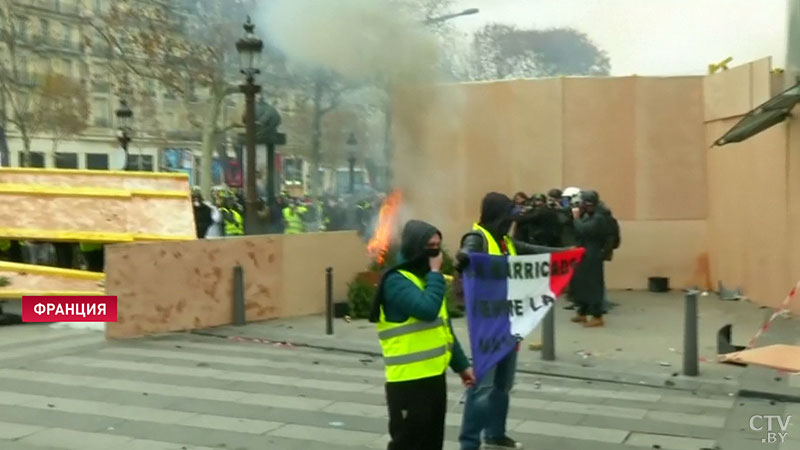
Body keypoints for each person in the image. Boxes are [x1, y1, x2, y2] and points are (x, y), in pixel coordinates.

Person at [456, 192, 566, 450]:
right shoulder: (477, 238)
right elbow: (467, 253)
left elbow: (533, 252)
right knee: (483, 386)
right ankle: (469, 442)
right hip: (487, 326)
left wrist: (567, 254)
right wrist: (464, 258)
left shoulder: (505, 241)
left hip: (510, 320)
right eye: (506, 215)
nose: (510, 221)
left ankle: (495, 434)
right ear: (495, 214)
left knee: (503, 385)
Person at [370, 220, 475, 450]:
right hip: (408, 383)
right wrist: (436, 273)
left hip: (434, 378)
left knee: (431, 443)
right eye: (429, 246)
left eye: (438, 245)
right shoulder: (397, 281)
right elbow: (426, 311)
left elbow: (442, 328)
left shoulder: (425, 280)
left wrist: (461, 367)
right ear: (414, 247)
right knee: (407, 444)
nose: (435, 252)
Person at [570, 190, 609, 327]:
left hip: (593, 254)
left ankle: (597, 315)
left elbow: (585, 230)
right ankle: (583, 311)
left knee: (593, 284)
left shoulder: (599, 217)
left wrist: (576, 218)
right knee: (582, 283)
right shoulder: (589, 215)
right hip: (585, 252)